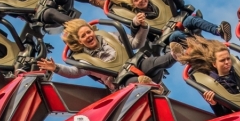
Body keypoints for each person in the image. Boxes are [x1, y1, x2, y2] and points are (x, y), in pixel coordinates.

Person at [37, 19, 178, 91]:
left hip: (135, 64)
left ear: (92, 31)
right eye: (83, 36)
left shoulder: (109, 36)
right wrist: (56, 68)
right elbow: (74, 72)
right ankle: (152, 89)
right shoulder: (84, 60)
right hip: (121, 80)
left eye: (88, 32)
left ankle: (176, 55)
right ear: (79, 41)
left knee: (151, 62)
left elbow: (136, 44)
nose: (88, 36)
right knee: (135, 82)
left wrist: (143, 27)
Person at [102, 0, 231, 44]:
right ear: (134, 4)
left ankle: (218, 31)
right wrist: (136, 24)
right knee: (178, 36)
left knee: (193, 20)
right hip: (165, 34)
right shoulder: (135, 15)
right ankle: (200, 45)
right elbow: (136, 33)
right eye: (137, 0)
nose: (141, 0)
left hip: (177, 19)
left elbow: (179, 5)